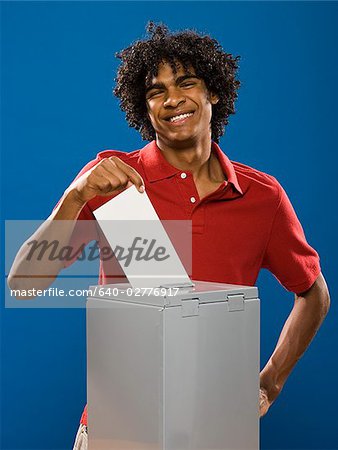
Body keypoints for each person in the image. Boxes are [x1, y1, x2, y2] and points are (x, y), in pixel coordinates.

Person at [8, 22, 330, 450]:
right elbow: (24, 285)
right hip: (117, 429)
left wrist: (270, 382)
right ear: (144, 108)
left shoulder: (262, 197)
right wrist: (73, 197)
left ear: (213, 91)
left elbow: (314, 293)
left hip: (216, 431)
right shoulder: (112, 181)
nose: (172, 99)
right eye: (156, 91)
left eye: (186, 83)